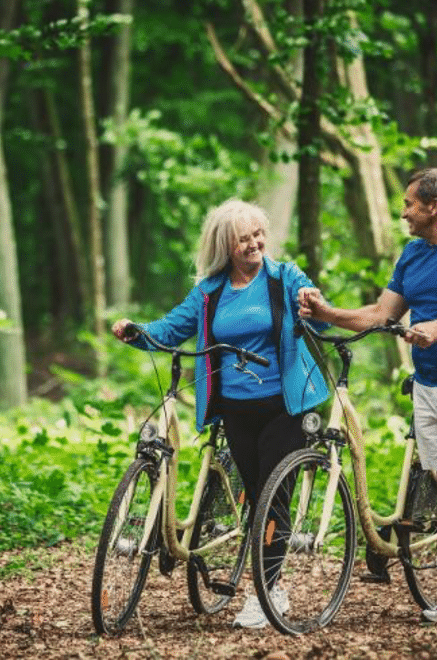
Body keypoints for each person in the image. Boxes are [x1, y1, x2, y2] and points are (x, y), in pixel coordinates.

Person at [112, 198, 331, 630]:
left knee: (273, 495)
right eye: (243, 238)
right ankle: (268, 580)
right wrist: (135, 332)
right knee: (254, 494)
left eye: (258, 234)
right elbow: (171, 329)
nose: (254, 243)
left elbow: (319, 320)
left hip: (284, 405)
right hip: (235, 408)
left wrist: (314, 305)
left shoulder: (285, 278)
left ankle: (268, 592)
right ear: (225, 246)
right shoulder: (209, 293)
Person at [299, 168, 437, 625]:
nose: (404, 213)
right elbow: (379, 313)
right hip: (430, 383)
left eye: (410, 204)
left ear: (433, 205)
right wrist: (326, 312)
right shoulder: (412, 257)